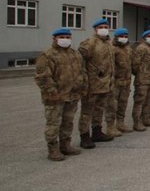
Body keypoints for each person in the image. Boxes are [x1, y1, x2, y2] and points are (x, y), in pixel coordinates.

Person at [34, 27, 86, 161]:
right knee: (53, 123)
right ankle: (53, 148)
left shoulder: (75, 54)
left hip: (72, 96)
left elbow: (82, 72)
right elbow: (43, 77)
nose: (65, 39)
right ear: (54, 39)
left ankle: (65, 145)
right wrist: (52, 93)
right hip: (55, 97)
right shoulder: (47, 55)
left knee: (68, 122)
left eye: (67, 37)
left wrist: (82, 87)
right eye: (62, 37)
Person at [78, 18, 115, 148]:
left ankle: (97, 132)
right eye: (101, 27)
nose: (104, 29)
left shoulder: (108, 43)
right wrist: (84, 80)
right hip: (92, 85)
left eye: (106, 26)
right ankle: (84, 136)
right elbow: (80, 63)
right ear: (95, 29)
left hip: (105, 84)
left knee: (99, 109)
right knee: (87, 111)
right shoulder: (90, 43)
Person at [130, 30, 150, 131]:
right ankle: (137, 122)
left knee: (149, 100)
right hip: (143, 79)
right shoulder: (141, 48)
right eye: (149, 36)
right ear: (144, 38)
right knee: (139, 101)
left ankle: (146, 118)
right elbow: (135, 65)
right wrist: (141, 74)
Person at [107, 27, 132, 137]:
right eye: (122, 36)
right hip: (116, 81)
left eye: (126, 36)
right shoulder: (113, 49)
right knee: (112, 105)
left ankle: (120, 123)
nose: (124, 38)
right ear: (116, 37)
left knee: (123, 103)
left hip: (126, 81)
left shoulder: (128, 49)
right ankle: (110, 126)